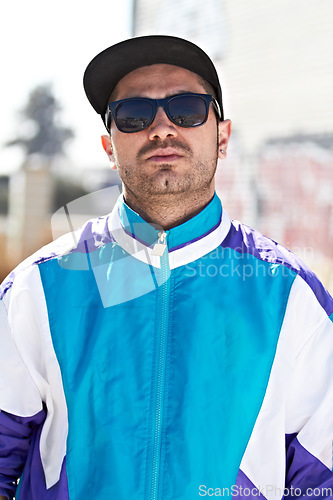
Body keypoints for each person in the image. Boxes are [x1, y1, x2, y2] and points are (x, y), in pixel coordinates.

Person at [0, 35, 333, 500]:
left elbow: (321, 480)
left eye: (188, 109)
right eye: (134, 115)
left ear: (222, 135)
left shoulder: (292, 297)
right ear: (109, 146)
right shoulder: (38, 288)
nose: (161, 129)